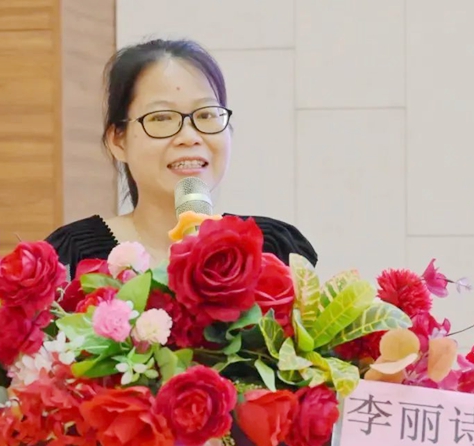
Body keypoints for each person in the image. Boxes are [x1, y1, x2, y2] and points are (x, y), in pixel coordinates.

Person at [46, 38, 317, 274]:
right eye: (162, 117)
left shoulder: (271, 249)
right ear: (118, 140)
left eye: (206, 114)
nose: (189, 136)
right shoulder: (71, 256)